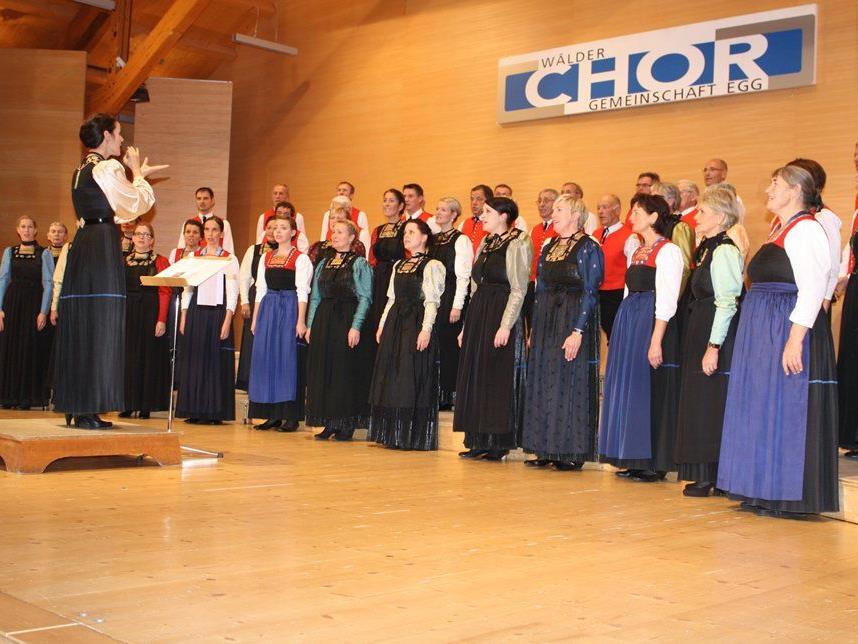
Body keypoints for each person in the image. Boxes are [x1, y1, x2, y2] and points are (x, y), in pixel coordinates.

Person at [718, 165, 838, 518]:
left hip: (784, 328)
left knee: (785, 408)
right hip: (763, 329)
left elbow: (814, 288)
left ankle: (784, 493)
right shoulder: (779, 229)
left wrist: (794, 339)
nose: (768, 190)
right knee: (761, 406)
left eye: (775, 184)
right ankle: (760, 487)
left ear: (796, 191)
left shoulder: (806, 230)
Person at [54, 113, 161, 429]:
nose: (122, 139)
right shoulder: (107, 166)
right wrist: (139, 174)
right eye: (117, 133)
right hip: (101, 245)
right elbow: (133, 204)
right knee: (101, 323)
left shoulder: (81, 169)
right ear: (104, 136)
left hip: (85, 244)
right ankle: (88, 407)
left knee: (83, 322)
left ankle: (78, 404)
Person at [598, 194, 684, 482]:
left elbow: (668, 300)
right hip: (630, 320)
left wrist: (656, 339)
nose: (631, 216)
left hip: (650, 322)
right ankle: (632, 454)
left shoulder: (668, 252)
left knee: (649, 389)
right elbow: (627, 291)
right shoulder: (637, 250)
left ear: (653, 217)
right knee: (631, 387)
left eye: (637, 212)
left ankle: (652, 461)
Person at [522, 195, 603, 470]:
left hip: (572, 316)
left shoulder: (589, 247)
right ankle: (544, 447)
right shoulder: (548, 245)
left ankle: (570, 450)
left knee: (570, 379)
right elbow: (540, 287)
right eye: (553, 209)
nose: (553, 214)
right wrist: (534, 328)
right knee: (543, 379)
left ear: (576, 215)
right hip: (546, 318)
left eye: (559, 209)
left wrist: (578, 331)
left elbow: (591, 292)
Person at [674, 186, 744, 496]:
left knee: (712, 402)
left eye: (701, 211)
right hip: (699, 326)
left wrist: (713, 346)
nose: (696, 217)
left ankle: (717, 474)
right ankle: (703, 470)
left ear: (718, 216)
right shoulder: (705, 247)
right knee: (699, 400)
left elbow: (727, 302)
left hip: (716, 333)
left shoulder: (726, 249)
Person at [454, 197, 532, 461]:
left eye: (488, 212)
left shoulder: (519, 241)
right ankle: (477, 439)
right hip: (480, 312)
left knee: (497, 376)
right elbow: (475, 286)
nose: (482, 215)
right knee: (477, 373)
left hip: (501, 310)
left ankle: (497, 442)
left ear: (504, 215)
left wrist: (506, 325)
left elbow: (519, 288)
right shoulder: (486, 242)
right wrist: (467, 326)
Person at [369, 219, 446, 450]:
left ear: (424, 237)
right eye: (405, 232)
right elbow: (391, 298)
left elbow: (432, 301)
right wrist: (382, 325)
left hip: (415, 322)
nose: (406, 235)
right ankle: (392, 434)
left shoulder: (432, 265)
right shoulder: (398, 265)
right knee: (392, 376)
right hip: (395, 322)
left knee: (409, 377)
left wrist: (426, 329)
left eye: (412, 232)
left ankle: (410, 435)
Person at [305, 220, 373, 441]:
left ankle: (346, 423)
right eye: (333, 231)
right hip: (325, 319)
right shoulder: (323, 263)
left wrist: (356, 326)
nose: (335, 235)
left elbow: (365, 297)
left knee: (344, 371)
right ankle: (328, 421)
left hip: (346, 318)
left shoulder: (359, 263)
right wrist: (310, 325)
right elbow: (315, 297)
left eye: (340, 232)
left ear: (352, 237)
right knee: (325, 370)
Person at [248, 214, 312, 432]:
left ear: (293, 233)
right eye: (275, 227)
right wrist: (256, 319)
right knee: (267, 359)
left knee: (287, 360)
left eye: (283, 227)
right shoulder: (266, 258)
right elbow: (260, 290)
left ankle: (290, 416)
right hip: (268, 309)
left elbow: (303, 291)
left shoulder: (301, 259)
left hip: (289, 307)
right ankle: (270, 414)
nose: (278, 231)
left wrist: (300, 320)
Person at [176, 216, 239, 425]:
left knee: (214, 362)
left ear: (221, 233)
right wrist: (184, 315)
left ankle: (214, 412)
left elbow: (233, 291)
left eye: (215, 230)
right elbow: (188, 288)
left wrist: (228, 319)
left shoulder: (229, 258)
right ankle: (194, 409)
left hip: (218, 313)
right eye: (207, 230)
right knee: (195, 361)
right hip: (196, 312)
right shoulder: (194, 256)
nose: (210, 234)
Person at [0, 216, 54, 409]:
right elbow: (3, 280)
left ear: (36, 230)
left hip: (33, 305)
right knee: (10, 348)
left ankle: (27, 398)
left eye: (30, 226)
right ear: (18, 230)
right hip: (13, 305)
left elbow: (48, 284)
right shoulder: (9, 251)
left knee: (30, 348)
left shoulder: (44, 253)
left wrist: (43, 311)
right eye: (23, 227)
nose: (27, 230)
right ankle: (8, 397)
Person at [119, 222, 170, 419]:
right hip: (129, 313)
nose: (141, 238)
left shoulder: (161, 261)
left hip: (151, 312)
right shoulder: (124, 261)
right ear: (132, 238)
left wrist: (161, 319)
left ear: (152, 240)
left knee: (148, 357)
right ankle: (128, 403)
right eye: (138, 234)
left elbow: (165, 292)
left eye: (146, 235)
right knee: (129, 358)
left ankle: (146, 404)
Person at [430, 197, 472, 410]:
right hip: (435, 296)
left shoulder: (461, 240)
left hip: (451, 295)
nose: (438, 212)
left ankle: (450, 393)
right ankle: (436, 391)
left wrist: (457, 305)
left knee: (449, 345)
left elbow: (463, 276)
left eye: (443, 210)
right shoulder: (434, 239)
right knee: (436, 343)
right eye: (437, 208)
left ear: (454, 215)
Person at [787, 158, 840, 312]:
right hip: (791, 298)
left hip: (814, 303)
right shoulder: (783, 218)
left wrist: (824, 303)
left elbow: (833, 266)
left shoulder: (824, 217)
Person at [236, 213, 279, 391]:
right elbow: (244, 276)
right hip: (255, 297)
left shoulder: (286, 252)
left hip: (276, 296)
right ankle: (248, 379)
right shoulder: (253, 250)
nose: (272, 231)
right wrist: (244, 301)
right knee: (252, 338)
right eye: (270, 227)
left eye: (277, 228)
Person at [592, 194, 640, 339]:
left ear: (617, 210)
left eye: (605, 207)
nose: (600, 211)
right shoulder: (595, 234)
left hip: (617, 294)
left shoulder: (630, 236)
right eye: (598, 208)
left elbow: (633, 270)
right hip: (597, 293)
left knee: (618, 336)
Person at [366, 189, 406, 339]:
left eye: (391, 200)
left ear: (401, 205)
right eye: (385, 200)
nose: (387, 204)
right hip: (379, 278)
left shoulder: (406, 227)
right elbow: (372, 259)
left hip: (397, 276)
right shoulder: (378, 230)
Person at [309, 196, 370, 262]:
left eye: (339, 218)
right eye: (332, 218)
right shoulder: (318, 246)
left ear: (347, 221)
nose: (334, 221)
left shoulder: (356, 245)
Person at [175, 187, 235, 253]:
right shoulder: (188, 224)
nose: (202, 201)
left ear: (212, 201)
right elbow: (181, 249)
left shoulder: (224, 223)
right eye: (199, 198)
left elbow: (229, 250)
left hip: (215, 261)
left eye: (205, 198)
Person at [254, 184, 309, 251]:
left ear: (287, 196)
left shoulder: (298, 217)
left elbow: (301, 241)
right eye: (275, 193)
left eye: (281, 193)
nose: (277, 196)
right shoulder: (263, 217)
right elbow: (259, 244)